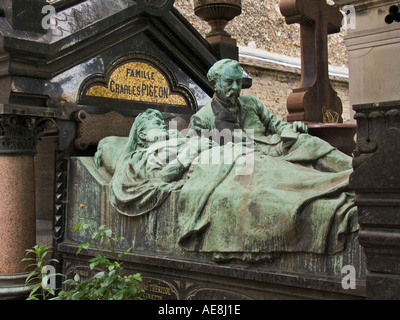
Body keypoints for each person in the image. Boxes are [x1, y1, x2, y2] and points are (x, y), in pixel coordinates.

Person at [188, 59, 352, 173]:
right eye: (229, 82)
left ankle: (354, 171)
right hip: (253, 161)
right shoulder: (202, 119)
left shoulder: (250, 102)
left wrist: (292, 128)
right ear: (215, 83)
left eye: (238, 82)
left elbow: (276, 124)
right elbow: (198, 157)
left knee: (308, 141)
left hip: (276, 147)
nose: (236, 87)